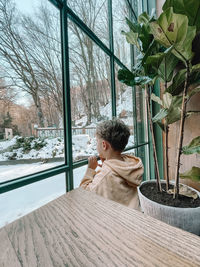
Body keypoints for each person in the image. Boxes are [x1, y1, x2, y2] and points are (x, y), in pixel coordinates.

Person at [79, 119, 144, 210]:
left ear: (104, 145)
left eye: (97, 141)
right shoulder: (129, 162)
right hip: (133, 214)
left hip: (116, 221)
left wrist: (91, 169)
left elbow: (84, 193)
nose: (96, 144)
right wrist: (107, 164)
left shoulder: (106, 175)